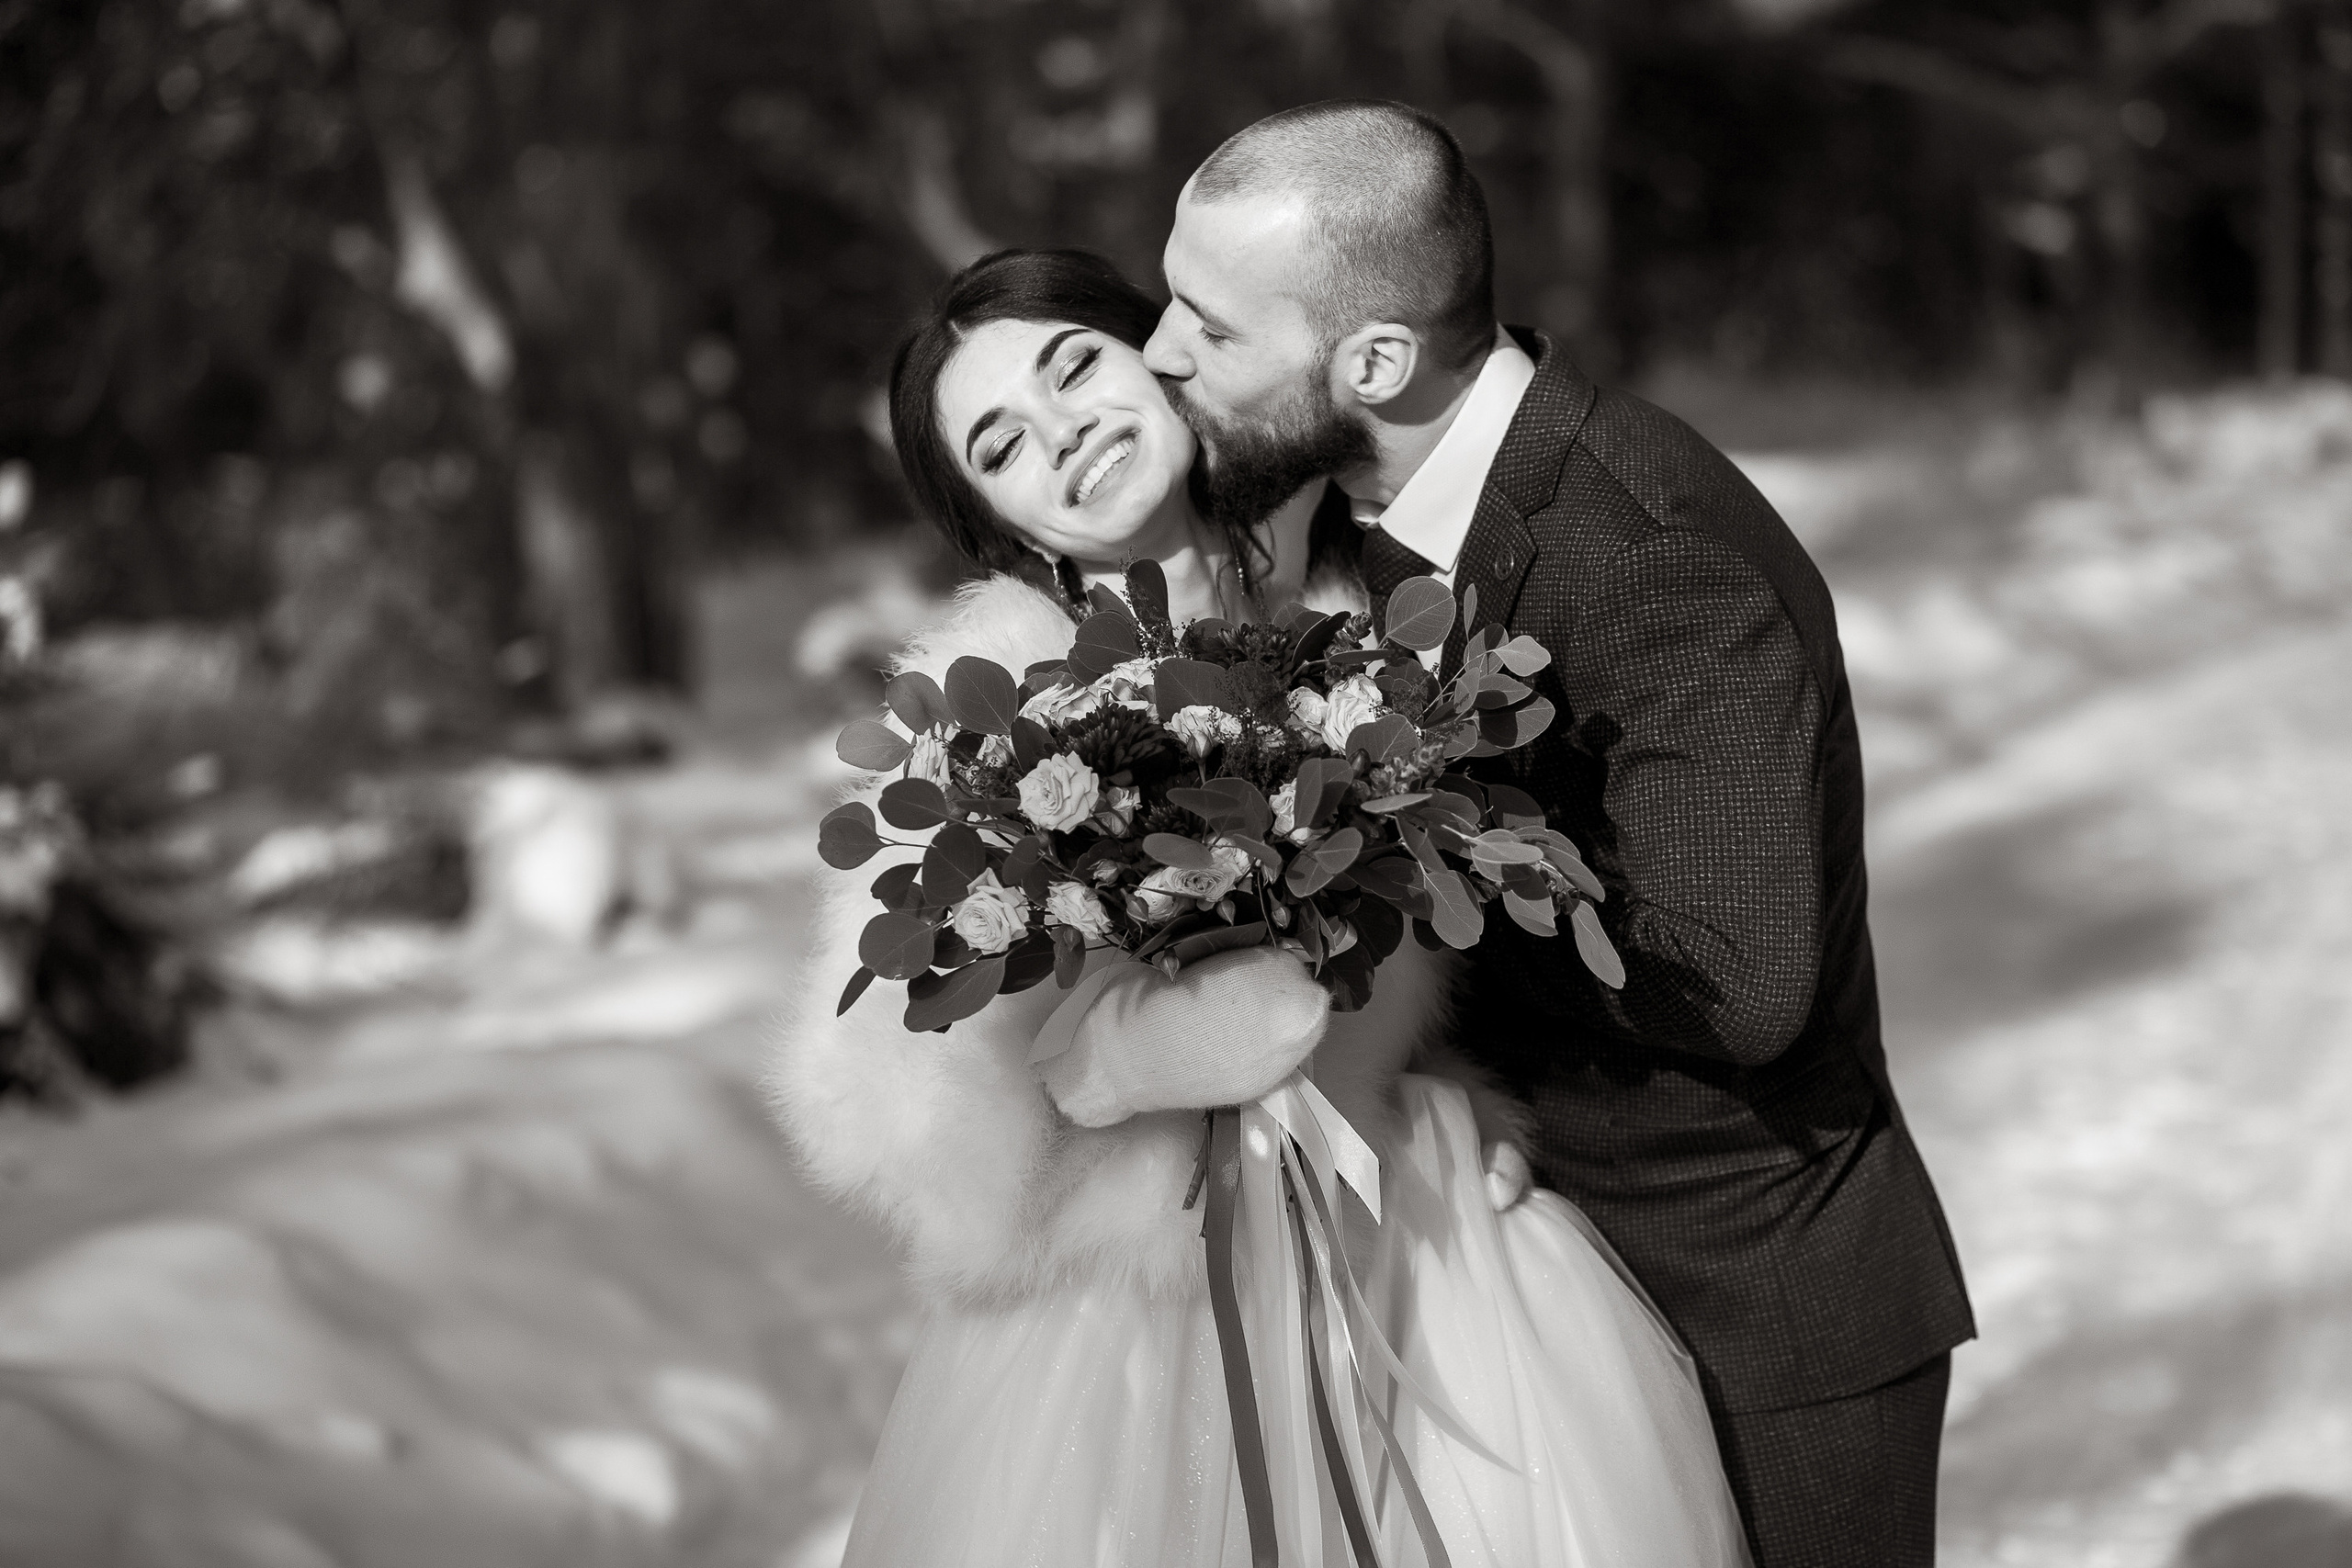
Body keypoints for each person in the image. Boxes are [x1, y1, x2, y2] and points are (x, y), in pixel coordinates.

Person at [768, 247, 1752, 1566]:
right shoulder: (987, 707)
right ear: (1000, 522)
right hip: (1147, 1312)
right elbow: (900, 1100)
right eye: (1003, 444)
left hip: (1415, 1225)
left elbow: (1472, 926)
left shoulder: (1374, 608)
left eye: (1076, 366)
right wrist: (1124, 1061)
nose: (1066, 433)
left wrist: (1452, 1075)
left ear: (1160, 349)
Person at [1131, 100, 1978, 1567]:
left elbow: (1743, 976)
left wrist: (1388, 870)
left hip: (1745, 1305)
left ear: (1376, 364)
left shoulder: (1659, 555)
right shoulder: (1353, 512)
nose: (1160, 350)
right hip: (1520, 1283)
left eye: (1209, 325)